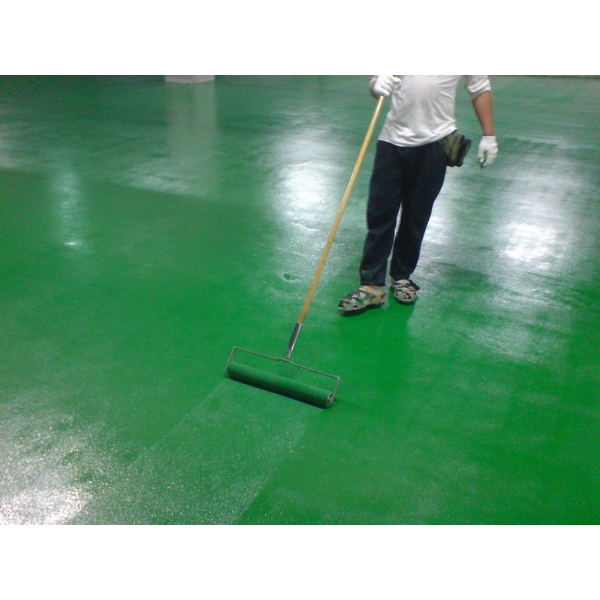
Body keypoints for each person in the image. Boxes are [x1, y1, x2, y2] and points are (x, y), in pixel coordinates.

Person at [338, 75, 498, 315]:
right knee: (380, 214)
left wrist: (489, 135)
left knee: (416, 215)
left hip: (435, 144)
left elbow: (479, 88)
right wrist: (376, 85)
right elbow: (376, 84)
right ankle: (372, 285)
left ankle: (401, 275)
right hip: (392, 142)